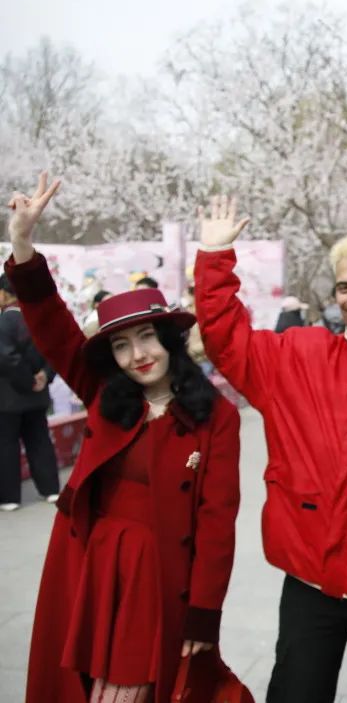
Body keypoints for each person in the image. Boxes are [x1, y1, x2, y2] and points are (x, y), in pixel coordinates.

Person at [7, 173, 243, 703]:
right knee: (74, 685)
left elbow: (217, 521)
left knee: (135, 688)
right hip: (86, 566)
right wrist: (22, 243)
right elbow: (52, 325)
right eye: (120, 345)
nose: (137, 355)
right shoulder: (105, 394)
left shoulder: (216, 416)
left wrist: (204, 613)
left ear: (169, 340)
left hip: (156, 577)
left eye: (146, 338)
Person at [193, 195, 347, 703]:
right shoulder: (297, 355)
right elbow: (227, 339)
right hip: (311, 577)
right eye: (345, 287)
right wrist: (213, 260)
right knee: (295, 691)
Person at [0, 272, 60, 511]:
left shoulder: (5, 321)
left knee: (6, 444)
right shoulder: (40, 319)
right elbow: (55, 350)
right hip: (38, 394)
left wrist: (27, 381)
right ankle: (51, 489)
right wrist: (44, 375)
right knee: (40, 440)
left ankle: (9, 497)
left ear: (4, 293)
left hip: (9, 396)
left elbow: (7, 357)